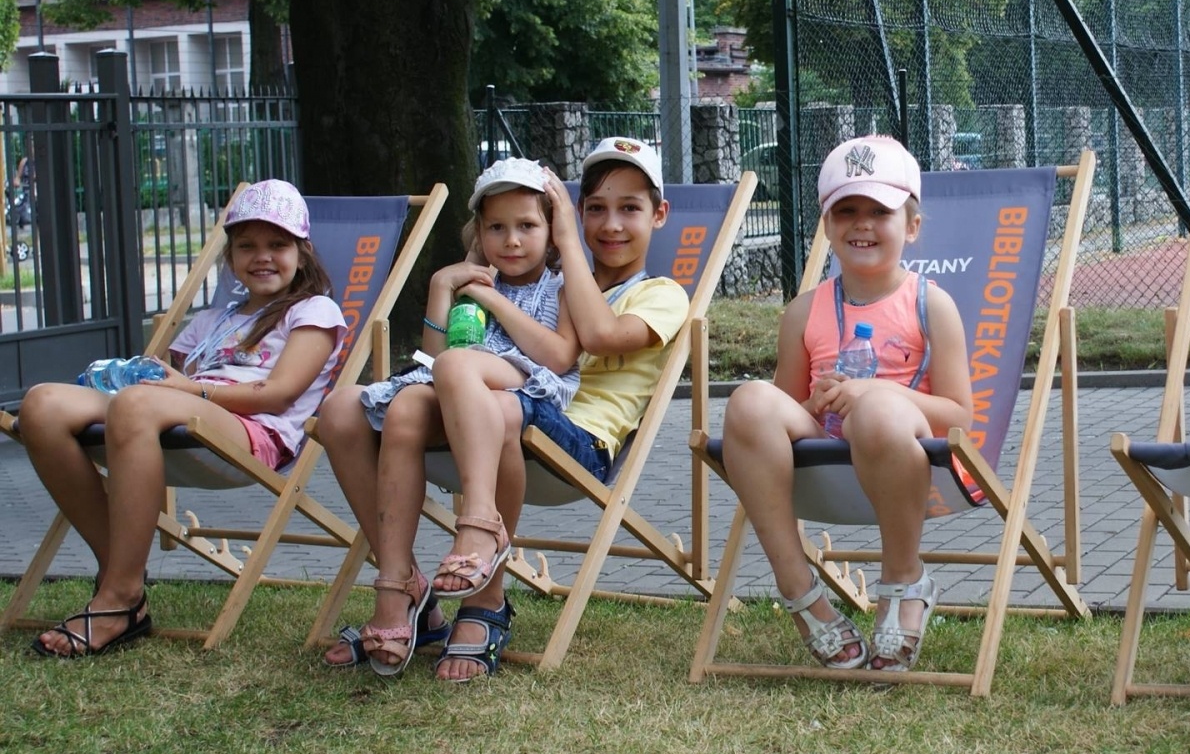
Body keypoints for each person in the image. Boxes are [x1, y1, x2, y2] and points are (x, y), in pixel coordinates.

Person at [21, 179, 346, 657]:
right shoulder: (212, 320)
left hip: (253, 431)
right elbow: (168, 380)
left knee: (136, 404)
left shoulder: (312, 310)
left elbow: (279, 394)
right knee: (41, 404)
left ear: (304, 252)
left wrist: (187, 389)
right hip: (175, 416)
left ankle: (117, 598)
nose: (262, 256)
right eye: (246, 245)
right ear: (230, 256)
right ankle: (121, 576)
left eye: (278, 244)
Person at [426, 136, 691, 682]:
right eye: (595, 209)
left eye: (630, 209)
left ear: (659, 215)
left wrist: (567, 235)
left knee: (500, 407)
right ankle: (417, 592)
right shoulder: (543, 289)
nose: (610, 225)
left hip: (581, 445)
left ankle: (484, 597)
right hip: (512, 424)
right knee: (441, 406)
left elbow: (596, 333)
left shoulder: (662, 293)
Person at [717, 135, 973, 674]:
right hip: (822, 468)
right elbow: (788, 413)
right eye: (846, 211)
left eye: (879, 211)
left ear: (912, 225)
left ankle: (903, 582)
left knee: (877, 411)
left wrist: (873, 391)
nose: (862, 224)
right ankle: (801, 591)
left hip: (907, 467)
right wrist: (814, 402)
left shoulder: (932, 304)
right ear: (828, 225)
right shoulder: (802, 312)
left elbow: (958, 416)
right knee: (748, 401)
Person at [316, 157, 580, 677]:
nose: (512, 240)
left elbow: (558, 356)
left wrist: (490, 300)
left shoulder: (561, 285)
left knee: (458, 366)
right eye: (496, 227)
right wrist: (443, 286)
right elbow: (433, 364)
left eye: (527, 225)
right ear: (479, 233)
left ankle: (481, 523)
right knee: (342, 407)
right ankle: (400, 581)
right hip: (454, 393)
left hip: (523, 392)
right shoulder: (469, 281)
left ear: (551, 232)